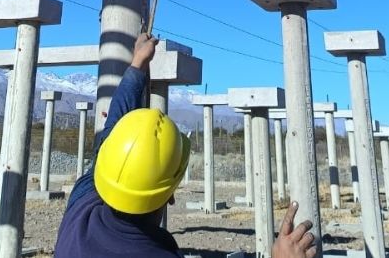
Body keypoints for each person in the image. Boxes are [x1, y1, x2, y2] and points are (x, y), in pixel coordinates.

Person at [55, 33, 317, 258]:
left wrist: (137, 65)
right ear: (171, 195)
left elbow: (112, 131)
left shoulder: (80, 212)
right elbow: (112, 131)